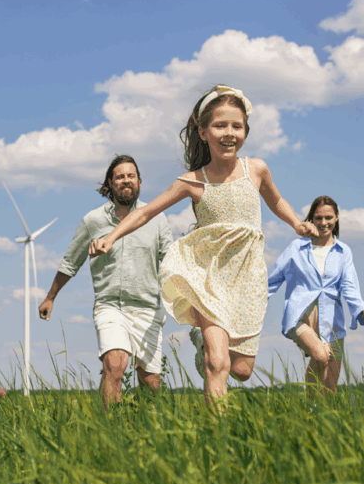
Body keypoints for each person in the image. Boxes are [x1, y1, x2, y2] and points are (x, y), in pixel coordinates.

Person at [89, 85, 318, 406]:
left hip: (247, 279)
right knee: (217, 363)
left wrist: (296, 223)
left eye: (237, 126)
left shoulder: (256, 170)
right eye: (220, 126)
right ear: (203, 132)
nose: (229, 133)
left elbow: (276, 201)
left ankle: (201, 342)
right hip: (209, 279)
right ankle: (217, 430)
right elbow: (145, 212)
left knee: (241, 370)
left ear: (246, 130)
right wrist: (111, 237)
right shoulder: (194, 181)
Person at [38, 155, 173, 409]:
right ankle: (111, 425)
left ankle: (144, 427)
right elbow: (70, 262)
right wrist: (50, 297)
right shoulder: (93, 221)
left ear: (140, 181)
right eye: (120, 177)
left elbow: (170, 262)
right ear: (110, 183)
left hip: (147, 308)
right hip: (110, 306)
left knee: (151, 383)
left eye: (131, 176)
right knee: (115, 363)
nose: (126, 181)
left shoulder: (156, 218)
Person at [267, 196, 364, 396]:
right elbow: (273, 280)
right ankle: (309, 407)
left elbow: (349, 286)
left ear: (337, 218)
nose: (323, 222)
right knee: (320, 356)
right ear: (311, 219)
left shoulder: (343, 252)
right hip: (300, 316)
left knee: (329, 388)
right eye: (318, 218)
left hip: (332, 321)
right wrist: (250, 305)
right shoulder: (296, 248)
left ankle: (318, 414)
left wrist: (363, 310)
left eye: (328, 217)